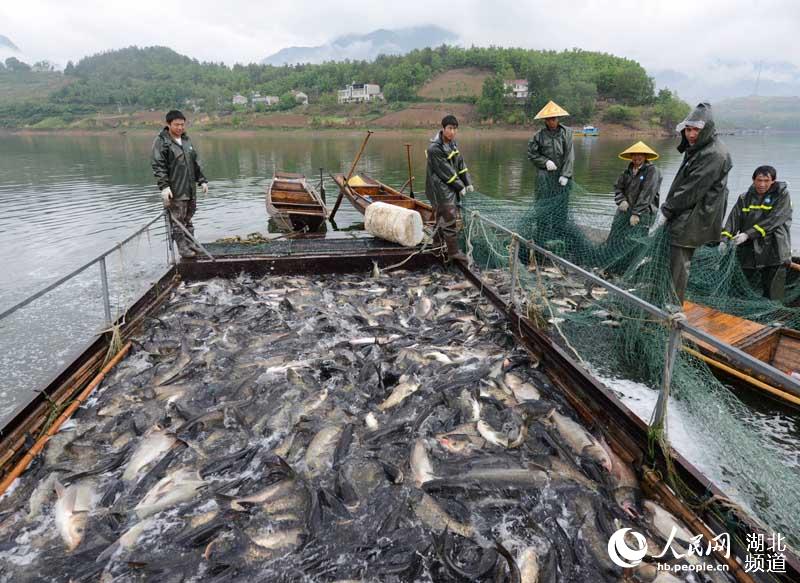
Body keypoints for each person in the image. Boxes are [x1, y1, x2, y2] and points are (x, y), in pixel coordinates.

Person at [653, 102, 732, 305]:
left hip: (696, 215)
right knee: (675, 261)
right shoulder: (699, 148)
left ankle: (672, 308)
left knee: (680, 264)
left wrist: (667, 210)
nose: (690, 134)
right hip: (687, 211)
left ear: (707, 129)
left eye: (696, 129)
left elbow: (692, 189)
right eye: (688, 129)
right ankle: (666, 301)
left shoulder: (714, 153)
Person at [720, 165, 792, 300]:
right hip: (749, 249)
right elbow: (733, 220)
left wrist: (747, 234)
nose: (762, 184)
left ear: (773, 181)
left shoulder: (783, 196)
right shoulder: (744, 198)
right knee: (741, 286)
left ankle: (773, 316)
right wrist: (725, 239)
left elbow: (774, 220)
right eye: (759, 180)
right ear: (753, 180)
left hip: (774, 250)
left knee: (773, 292)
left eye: (766, 180)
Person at [151, 110, 209, 258]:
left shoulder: (186, 140)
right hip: (175, 190)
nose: (180, 128)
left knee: (188, 218)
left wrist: (201, 180)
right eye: (177, 125)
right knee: (178, 220)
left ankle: (191, 243)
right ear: (168, 124)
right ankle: (183, 249)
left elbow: (194, 163)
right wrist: (164, 187)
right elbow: (158, 165)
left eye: (182, 125)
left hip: (190, 189)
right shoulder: (162, 142)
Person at [425, 114, 473, 262]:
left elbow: (460, 165)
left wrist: (467, 182)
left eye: (455, 129)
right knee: (449, 218)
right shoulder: (434, 148)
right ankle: (453, 252)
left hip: (449, 185)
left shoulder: (453, 144)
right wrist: (460, 186)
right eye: (450, 128)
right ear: (443, 129)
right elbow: (446, 171)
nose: (453, 132)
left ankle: (436, 246)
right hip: (439, 187)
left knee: (442, 219)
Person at [527, 100, 574, 191]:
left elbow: (569, 156)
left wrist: (565, 175)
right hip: (544, 176)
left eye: (553, 119)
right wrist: (545, 162)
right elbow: (532, 154)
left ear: (558, 119)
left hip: (562, 175)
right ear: (545, 120)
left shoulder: (566, 133)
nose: (551, 122)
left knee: (561, 202)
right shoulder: (538, 136)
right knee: (543, 200)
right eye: (548, 120)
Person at [613, 141, 662, 227]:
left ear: (645, 156)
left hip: (644, 213)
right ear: (631, 156)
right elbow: (618, 188)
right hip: (626, 211)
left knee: (636, 238)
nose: (636, 157)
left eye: (640, 154)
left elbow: (647, 193)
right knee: (617, 235)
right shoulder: (626, 172)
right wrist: (621, 200)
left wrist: (637, 213)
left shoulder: (652, 171)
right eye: (634, 154)